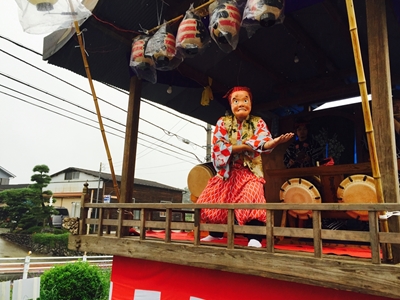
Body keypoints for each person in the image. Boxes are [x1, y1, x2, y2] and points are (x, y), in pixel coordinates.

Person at [196, 86, 294, 248]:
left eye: (245, 100)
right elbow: (218, 147)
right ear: (231, 104)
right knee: (212, 198)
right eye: (236, 101)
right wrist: (247, 146)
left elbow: (264, 142)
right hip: (228, 171)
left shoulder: (258, 122)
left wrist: (274, 142)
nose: (241, 104)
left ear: (250, 103)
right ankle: (216, 233)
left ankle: (254, 237)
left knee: (252, 197)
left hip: (249, 171)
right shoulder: (223, 122)